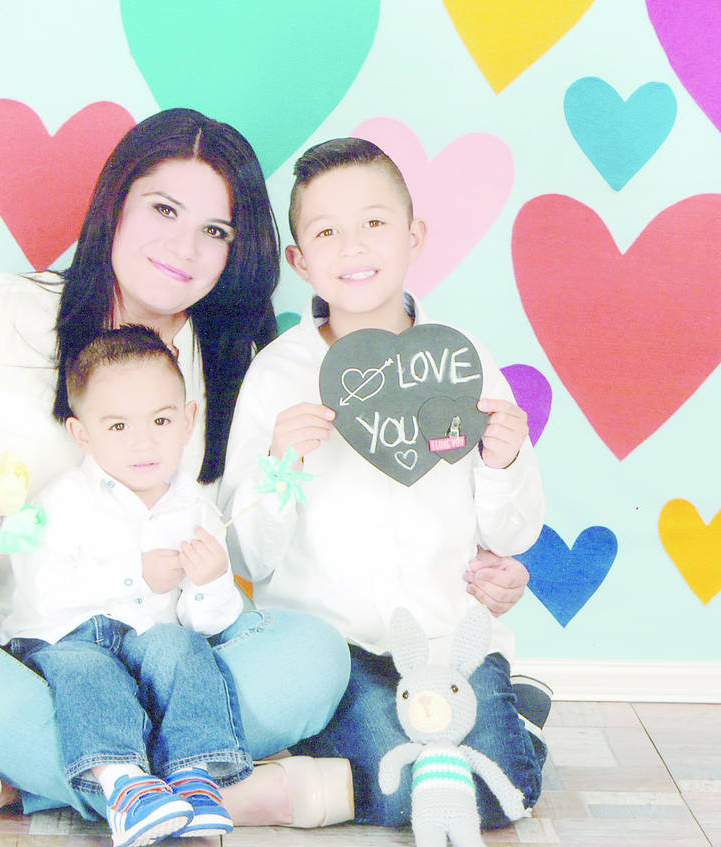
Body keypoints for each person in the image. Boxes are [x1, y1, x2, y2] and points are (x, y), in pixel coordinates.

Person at [0, 108, 356, 831]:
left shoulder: (236, 362)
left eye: (215, 231)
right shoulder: (5, 314)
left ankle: (39, 785)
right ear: (116, 203)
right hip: (5, 659)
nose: (184, 247)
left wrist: (278, 475)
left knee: (315, 655)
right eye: (164, 210)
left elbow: (240, 546)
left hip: (165, 661)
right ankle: (209, 788)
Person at [219, 137, 549, 830]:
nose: (354, 246)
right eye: (327, 232)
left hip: (450, 639)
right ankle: (362, 749)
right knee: (402, 792)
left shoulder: (462, 358)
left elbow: (514, 533)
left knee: (503, 791)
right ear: (300, 261)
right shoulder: (278, 375)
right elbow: (247, 556)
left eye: (374, 222)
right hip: (341, 653)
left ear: (413, 237)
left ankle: (511, 715)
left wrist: (504, 461)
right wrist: (280, 467)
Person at [1, 325, 253, 846]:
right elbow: (44, 591)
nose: (143, 442)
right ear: (82, 435)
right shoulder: (63, 500)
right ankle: (124, 786)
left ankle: (194, 775)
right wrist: (135, 572)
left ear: (188, 420)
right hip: (64, 638)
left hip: (147, 641)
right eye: (118, 426)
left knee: (183, 649)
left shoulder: (197, 510)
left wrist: (210, 582)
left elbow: (208, 626)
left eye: (161, 420)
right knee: (90, 668)